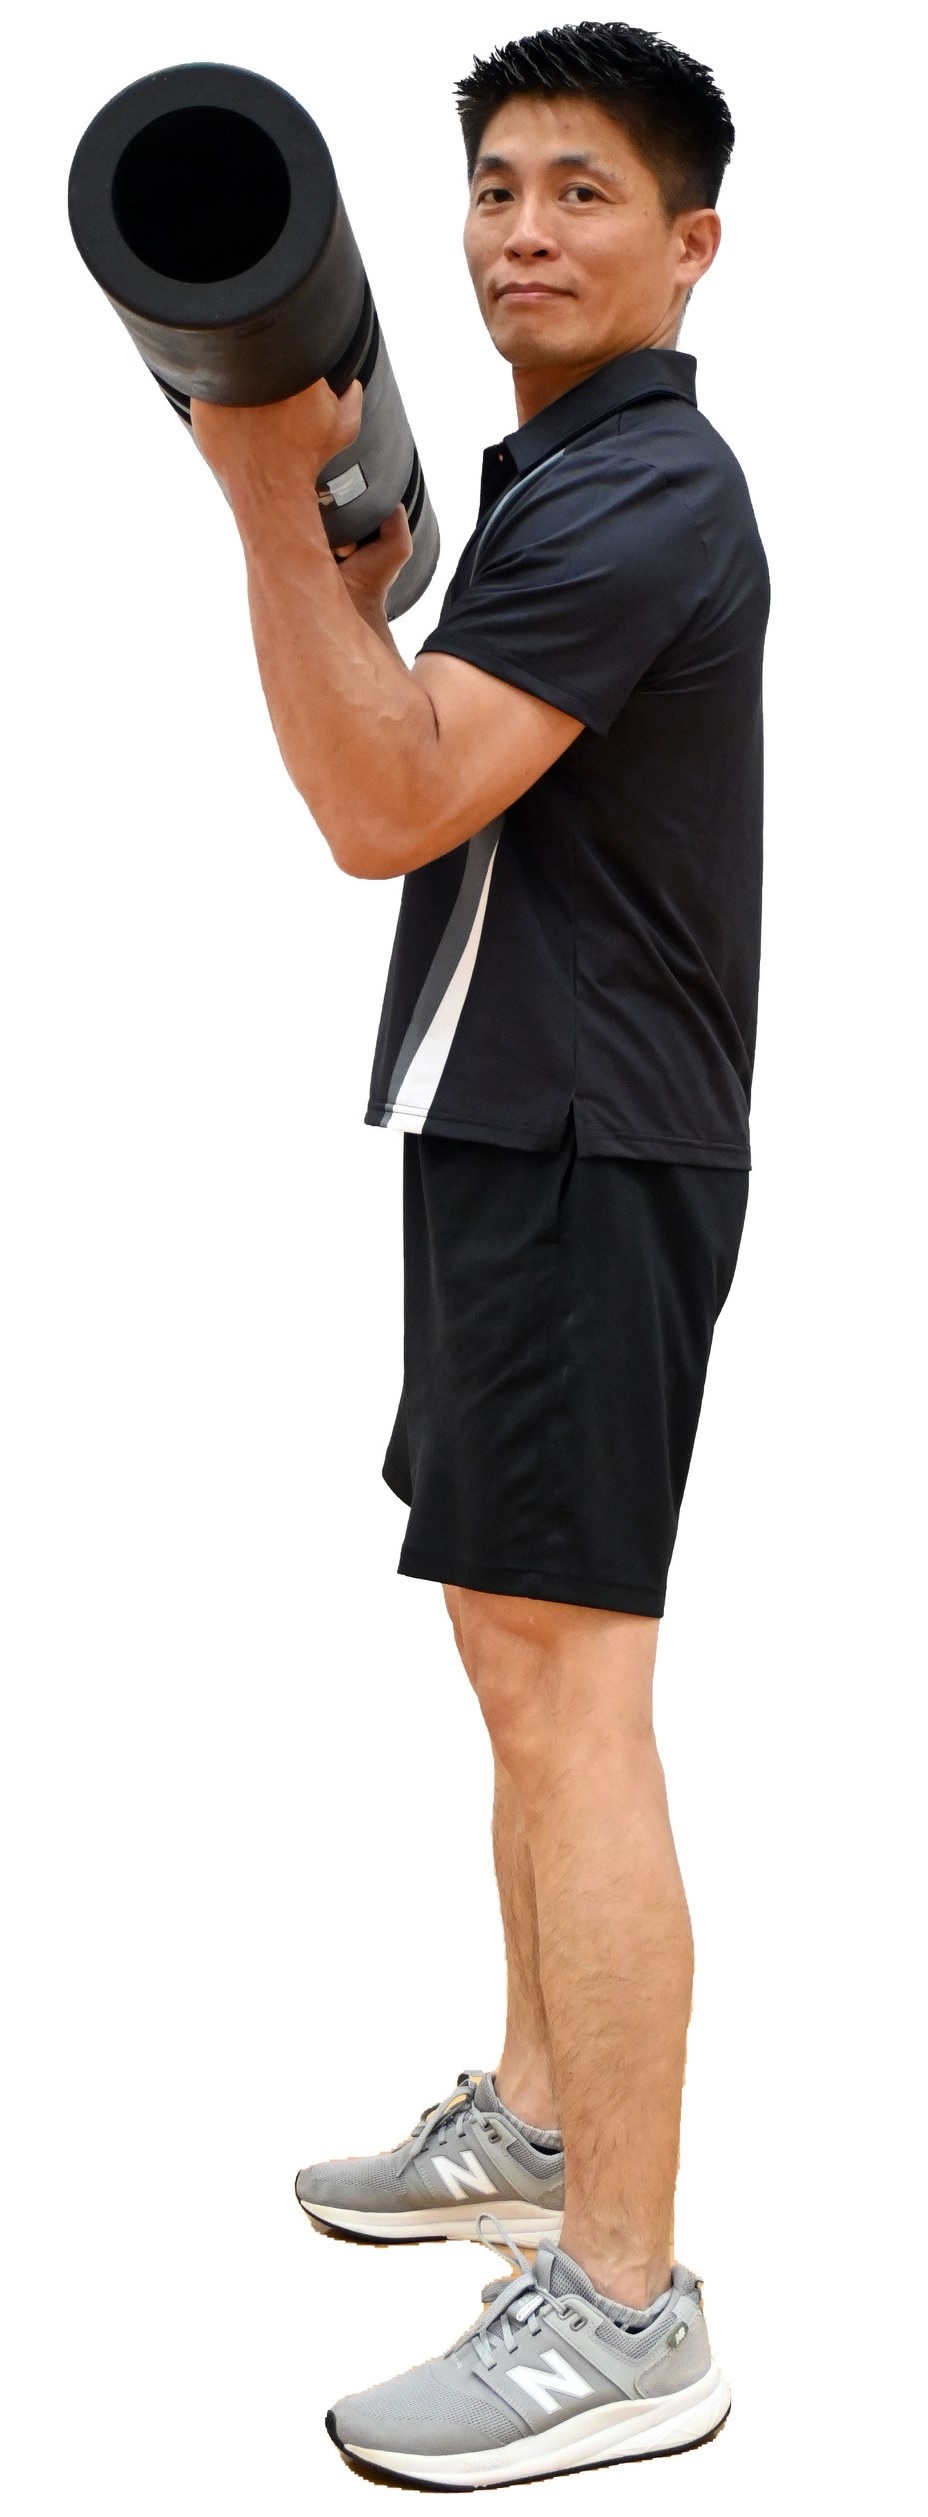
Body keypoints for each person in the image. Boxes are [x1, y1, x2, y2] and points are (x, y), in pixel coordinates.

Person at [191, 19, 769, 2490]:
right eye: (496, 186)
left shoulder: (640, 490)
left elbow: (388, 796)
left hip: (580, 1146)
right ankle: (536, 2119)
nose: (523, 229)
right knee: (511, 1662)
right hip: (512, 1128)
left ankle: (621, 2300)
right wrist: (323, 553)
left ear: (688, 243)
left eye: (583, 192)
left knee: (572, 1697)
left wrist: (257, 508)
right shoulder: (562, 477)